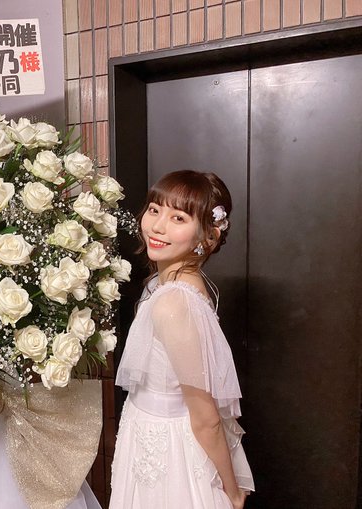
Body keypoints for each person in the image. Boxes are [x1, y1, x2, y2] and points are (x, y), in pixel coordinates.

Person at [110, 170, 254, 509]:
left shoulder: (174, 302)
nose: (157, 226)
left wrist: (232, 490)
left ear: (209, 236)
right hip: (149, 439)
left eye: (178, 218)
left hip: (171, 454)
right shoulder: (171, 284)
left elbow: (206, 417)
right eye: (154, 210)